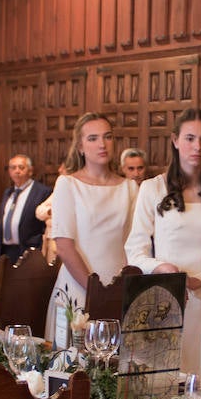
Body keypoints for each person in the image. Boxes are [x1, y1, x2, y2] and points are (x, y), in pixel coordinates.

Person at [125, 108, 201, 372]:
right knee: (164, 381)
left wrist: (199, 278)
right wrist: (163, 269)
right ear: (175, 140)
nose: (197, 147)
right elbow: (135, 250)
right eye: (190, 138)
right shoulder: (152, 188)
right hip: (165, 296)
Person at [49, 113, 139, 321]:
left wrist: (122, 287)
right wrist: (94, 290)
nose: (102, 144)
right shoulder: (68, 184)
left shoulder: (129, 187)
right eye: (93, 138)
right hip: (79, 284)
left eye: (107, 137)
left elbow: (133, 243)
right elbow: (64, 245)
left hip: (119, 286)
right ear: (80, 146)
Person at [0, 153, 51, 264]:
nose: (17, 171)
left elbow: (44, 225)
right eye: (13, 168)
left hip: (28, 251)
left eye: (21, 167)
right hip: (6, 250)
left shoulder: (42, 192)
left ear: (30, 171)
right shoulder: (8, 192)